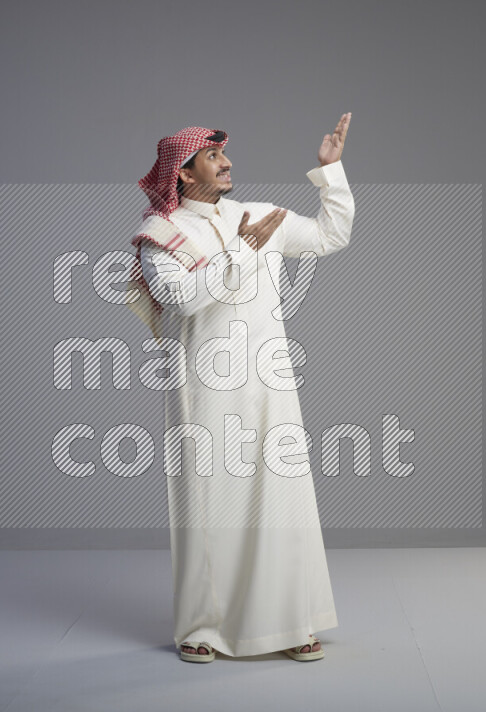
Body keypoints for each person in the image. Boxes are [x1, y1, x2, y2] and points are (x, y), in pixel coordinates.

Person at [126, 114, 354, 662]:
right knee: (210, 507)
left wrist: (332, 173)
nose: (227, 164)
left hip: (270, 379)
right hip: (204, 387)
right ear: (181, 174)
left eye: (226, 156)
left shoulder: (257, 214)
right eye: (212, 157)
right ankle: (202, 630)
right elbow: (182, 299)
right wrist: (243, 251)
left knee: (281, 500)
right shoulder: (160, 238)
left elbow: (331, 236)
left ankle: (291, 622)